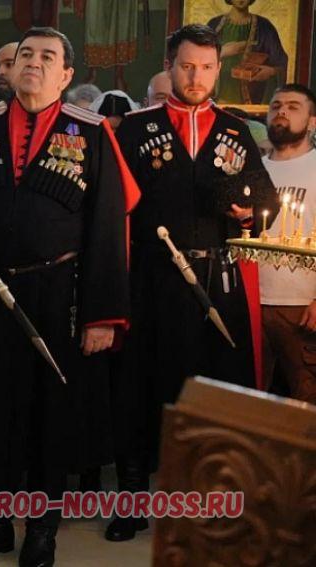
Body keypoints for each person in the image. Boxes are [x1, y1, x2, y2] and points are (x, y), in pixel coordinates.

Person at [0, 27, 138, 566]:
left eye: (47, 56)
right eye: (26, 53)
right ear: (9, 68)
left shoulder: (91, 133)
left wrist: (103, 315)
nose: (33, 62)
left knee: (50, 420)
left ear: (66, 74)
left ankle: (42, 530)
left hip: (60, 295)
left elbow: (108, 229)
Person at [109, 23, 280, 542]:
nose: (196, 77)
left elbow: (266, 203)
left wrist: (249, 215)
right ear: (169, 65)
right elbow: (113, 209)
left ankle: (209, 502)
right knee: (140, 387)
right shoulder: (134, 129)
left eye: (206, 68)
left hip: (218, 278)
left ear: (218, 69)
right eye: (187, 66)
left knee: (215, 391)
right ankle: (132, 500)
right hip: (151, 277)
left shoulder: (237, 130)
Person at [260, 84, 316, 403]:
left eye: (294, 107)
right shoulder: (255, 168)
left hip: (301, 302)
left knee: (305, 397)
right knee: (248, 394)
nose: (282, 110)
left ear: (312, 121)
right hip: (252, 298)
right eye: (276, 105)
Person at [208, 0, 288, 105]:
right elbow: (199, 59)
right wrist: (223, 52)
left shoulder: (264, 27)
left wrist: (270, 72)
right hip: (219, 101)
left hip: (253, 101)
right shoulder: (214, 25)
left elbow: (280, 62)